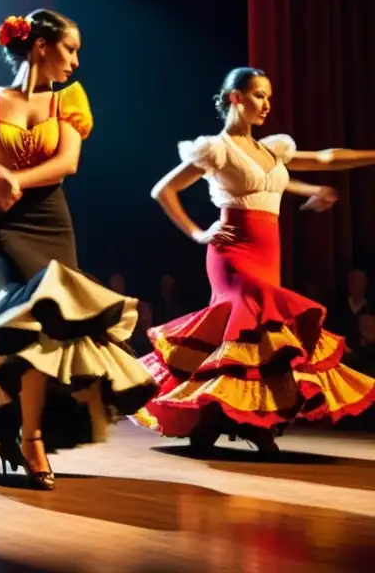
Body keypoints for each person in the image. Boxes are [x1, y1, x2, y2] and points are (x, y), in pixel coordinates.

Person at [0, 10, 157, 490]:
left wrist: (11, 179)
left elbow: (66, 163)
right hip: (0, 226)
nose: (76, 61)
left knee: (44, 326)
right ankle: (30, 439)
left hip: (51, 222)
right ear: (41, 46)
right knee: (26, 316)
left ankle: (23, 432)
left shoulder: (68, 101)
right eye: (70, 49)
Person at [135, 67, 375, 453]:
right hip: (232, 253)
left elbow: (327, 158)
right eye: (260, 95)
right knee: (251, 319)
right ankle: (226, 417)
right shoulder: (216, 149)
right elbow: (163, 191)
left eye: (268, 96)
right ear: (236, 98)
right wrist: (199, 233)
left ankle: (236, 416)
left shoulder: (270, 150)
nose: (267, 104)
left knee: (257, 336)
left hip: (268, 253)